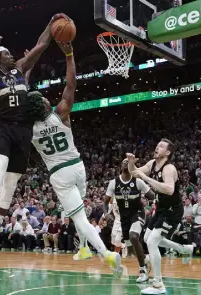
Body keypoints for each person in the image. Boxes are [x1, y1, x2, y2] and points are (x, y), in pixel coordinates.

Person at [29, 41, 121, 273]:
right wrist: (69, 53)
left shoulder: (27, 128)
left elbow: (22, 101)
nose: (47, 98)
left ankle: (107, 254)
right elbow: (71, 83)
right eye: (43, 98)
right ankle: (84, 249)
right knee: (78, 211)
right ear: (43, 104)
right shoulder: (61, 113)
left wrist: (26, 71)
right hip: (78, 167)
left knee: (79, 218)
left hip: (60, 174)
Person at [0, 13, 68, 256]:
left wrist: (50, 26)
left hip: (23, 131)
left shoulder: (20, 69)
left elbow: (40, 46)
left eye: (9, 53)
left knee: (11, 182)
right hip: (2, 127)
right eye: (5, 54)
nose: (10, 56)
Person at [127, 140, 194, 294]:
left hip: (172, 211)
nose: (157, 147)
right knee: (147, 238)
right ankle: (183, 249)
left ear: (168, 153)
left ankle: (158, 284)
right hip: (161, 209)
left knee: (151, 242)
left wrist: (147, 179)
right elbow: (135, 172)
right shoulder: (152, 163)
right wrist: (131, 163)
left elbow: (170, 190)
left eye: (162, 146)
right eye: (157, 145)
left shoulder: (169, 168)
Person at [105, 158, 155, 283]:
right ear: (120, 166)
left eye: (129, 162)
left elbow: (153, 195)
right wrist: (106, 214)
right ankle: (144, 258)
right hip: (124, 217)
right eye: (124, 162)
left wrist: (154, 203)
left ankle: (143, 270)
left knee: (133, 237)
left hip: (137, 213)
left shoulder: (138, 182)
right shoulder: (113, 183)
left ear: (133, 167)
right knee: (131, 250)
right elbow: (105, 202)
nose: (126, 163)